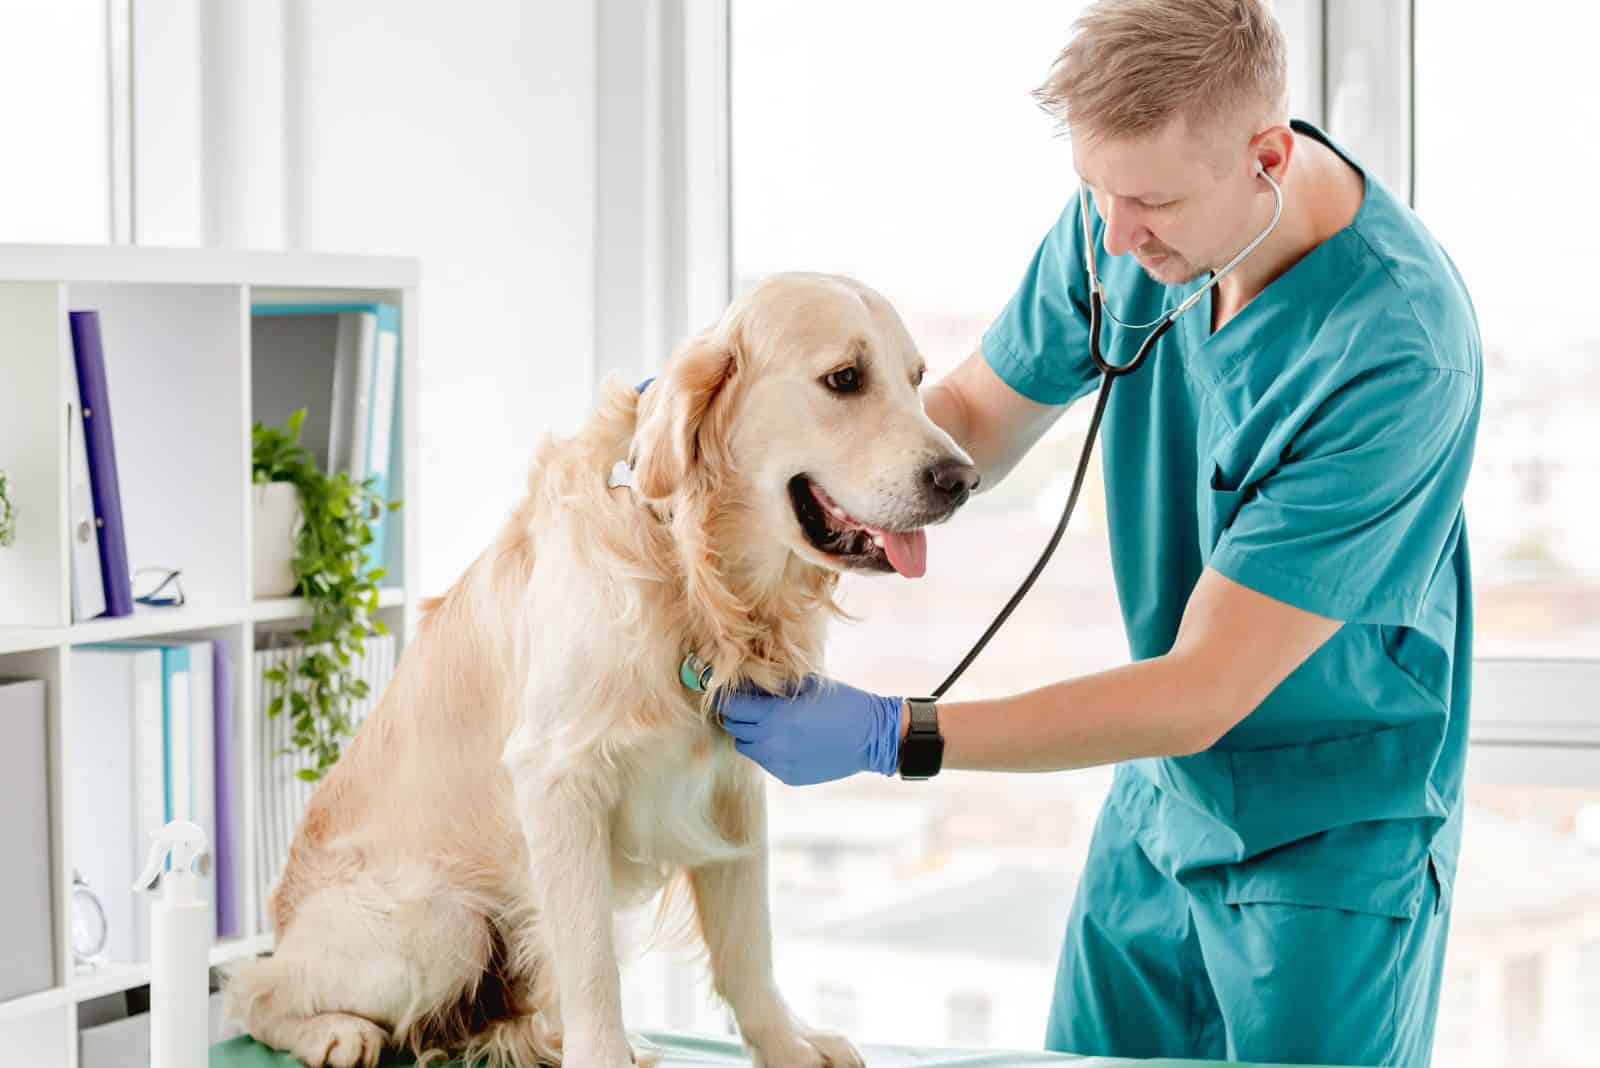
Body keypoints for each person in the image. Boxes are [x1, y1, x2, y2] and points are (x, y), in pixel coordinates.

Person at [718, 1, 1482, 1065]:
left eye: (1150, 202)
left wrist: (895, 734)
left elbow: (1199, 692)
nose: (1113, 236)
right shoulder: (1122, 222)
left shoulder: (1394, 351)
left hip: (1326, 843)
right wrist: (776, 452)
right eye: (1095, 191)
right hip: (1158, 806)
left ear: (1267, 156)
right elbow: (970, 422)